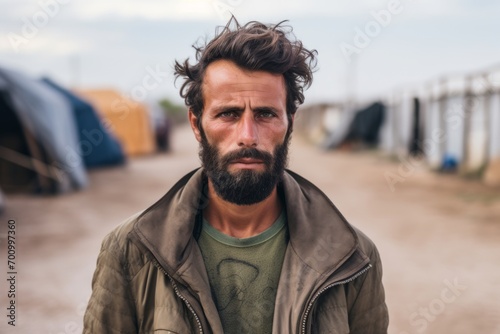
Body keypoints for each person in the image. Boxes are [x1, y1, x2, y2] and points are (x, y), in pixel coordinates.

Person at [83, 17, 389, 334]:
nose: (247, 135)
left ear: (290, 124)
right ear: (196, 124)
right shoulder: (130, 250)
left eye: (265, 114)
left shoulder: (354, 258)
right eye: (228, 113)